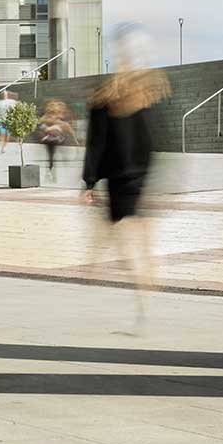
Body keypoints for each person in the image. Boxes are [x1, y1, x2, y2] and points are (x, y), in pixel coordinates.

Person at [82, 26, 172, 329]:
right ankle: (144, 293)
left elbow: (96, 144)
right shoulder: (150, 93)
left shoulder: (102, 98)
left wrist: (89, 182)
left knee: (120, 236)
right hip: (140, 179)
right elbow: (155, 142)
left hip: (120, 181)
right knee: (141, 244)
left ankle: (102, 266)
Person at [35, 99, 75, 181]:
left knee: (51, 156)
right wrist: (49, 127)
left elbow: (65, 124)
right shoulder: (48, 116)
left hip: (56, 138)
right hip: (50, 139)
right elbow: (40, 122)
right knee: (51, 156)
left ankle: (51, 172)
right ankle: (51, 172)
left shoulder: (58, 116)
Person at [0, 88, 20, 155]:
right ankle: (2, 147)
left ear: (7, 95)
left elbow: (17, 100)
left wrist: (13, 94)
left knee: (7, 135)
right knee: (2, 134)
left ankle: (5, 146)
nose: (4, 95)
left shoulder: (11, 101)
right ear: (1, 95)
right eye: (3, 94)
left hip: (8, 121)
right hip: (1, 121)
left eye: (5, 94)